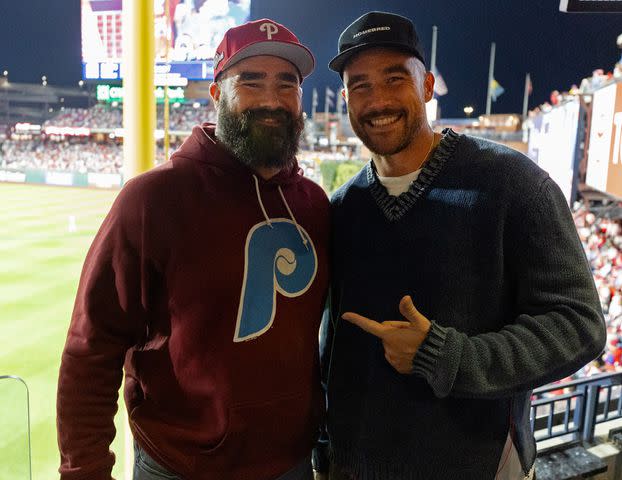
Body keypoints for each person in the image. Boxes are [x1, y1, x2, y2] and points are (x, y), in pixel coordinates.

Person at [314, 11, 606, 480]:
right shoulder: (343, 207)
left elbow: (579, 325)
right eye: (361, 86)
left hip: (477, 464)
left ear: (427, 85)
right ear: (345, 98)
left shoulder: (513, 183)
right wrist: (327, 449)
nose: (379, 100)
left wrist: (446, 356)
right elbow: (336, 349)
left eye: (395, 78)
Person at [57, 18, 329, 480]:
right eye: (250, 81)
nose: (271, 99)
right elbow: (92, 348)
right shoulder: (152, 199)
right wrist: (85, 469)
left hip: (292, 466)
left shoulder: (314, 205)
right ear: (217, 94)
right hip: (180, 466)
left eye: (288, 83)